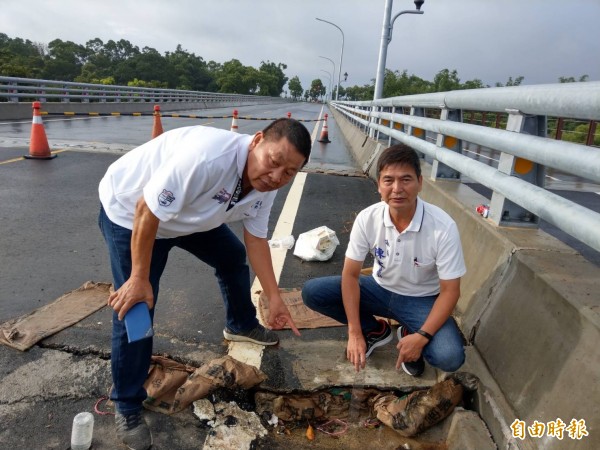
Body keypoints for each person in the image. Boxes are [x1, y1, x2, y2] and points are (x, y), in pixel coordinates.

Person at [98, 118, 311, 450]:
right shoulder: (208, 158)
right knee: (136, 307)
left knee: (231, 256)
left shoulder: (266, 184)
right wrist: (139, 279)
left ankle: (240, 323)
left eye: (289, 173)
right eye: (274, 162)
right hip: (132, 214)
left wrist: (274, 296)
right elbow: (146, 210)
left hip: (189, 216)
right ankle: (126, 403)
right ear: (256, 141)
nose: (276, 176)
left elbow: (256, 240)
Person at [302, 144, 466, 378]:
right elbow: (350, 275)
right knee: (313, 292)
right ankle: (375, 331)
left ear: (420, 182)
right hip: (378, 289)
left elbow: (451, 291)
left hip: (420, 300)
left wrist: (421, 338)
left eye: (406, 179)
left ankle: (411, 332)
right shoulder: (367, 218)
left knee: (449, 357)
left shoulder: (442, 227)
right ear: (379, 185)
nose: (397, 189)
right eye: (388, 180)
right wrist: (355, 332)